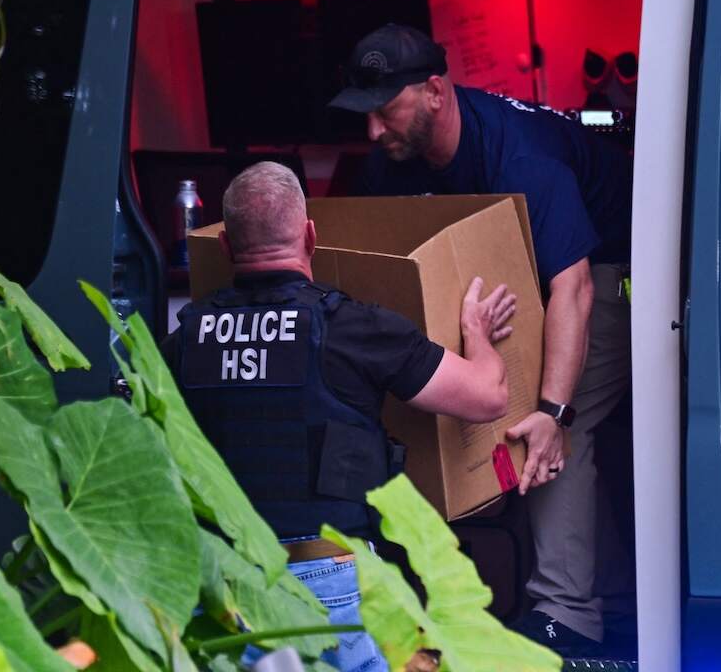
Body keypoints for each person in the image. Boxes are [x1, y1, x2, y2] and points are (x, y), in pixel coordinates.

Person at [329, 24, 635, 657]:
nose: (373, 132)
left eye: (385, 111)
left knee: (539, 426)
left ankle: (568, 612)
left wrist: (553, 410)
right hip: (509, 271)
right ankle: (609, 587)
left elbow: (572, 288)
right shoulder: (391, 160)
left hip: (607, 272)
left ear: (435, 92)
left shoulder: (522, 155)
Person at [162, 161, 522, 671]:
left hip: (224, 586)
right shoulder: (354, 328)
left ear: (225, 248)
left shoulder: (182, 342)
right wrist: (478, 333)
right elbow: (487, 397)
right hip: (329, 584)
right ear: (310, 236)